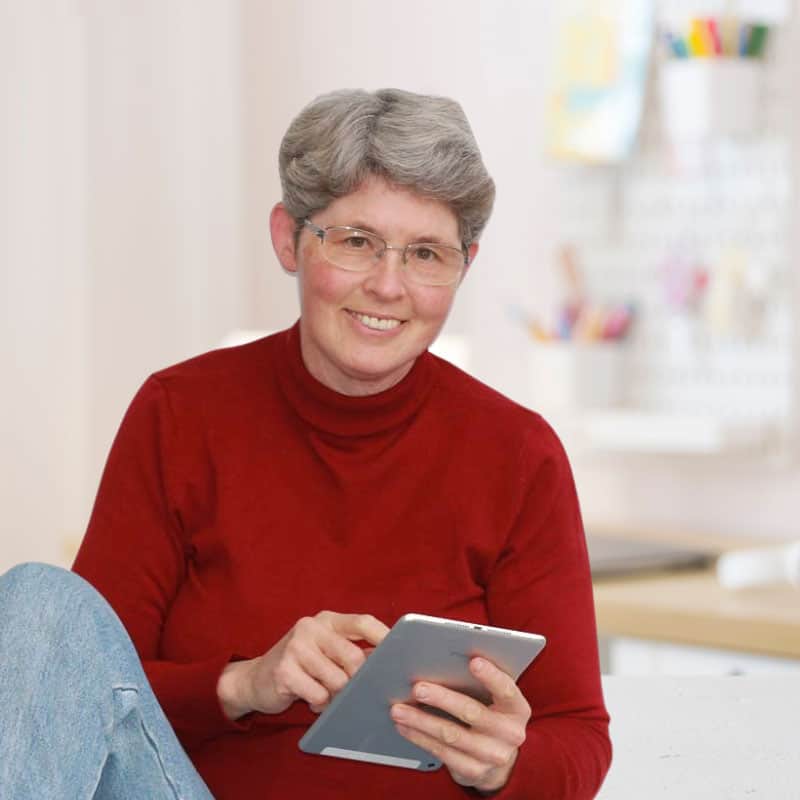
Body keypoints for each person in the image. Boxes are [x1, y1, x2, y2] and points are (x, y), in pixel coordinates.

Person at [0, 88, 611, 799]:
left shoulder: (518, 454)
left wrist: (507, 765)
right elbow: (81, 701)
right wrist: (245, 683)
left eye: (426, 253)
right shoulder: (180, 413)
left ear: (465, 264)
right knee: (40, 603)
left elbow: (578, 736)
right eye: (356, 242)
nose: (389, 285)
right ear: (288, 238)